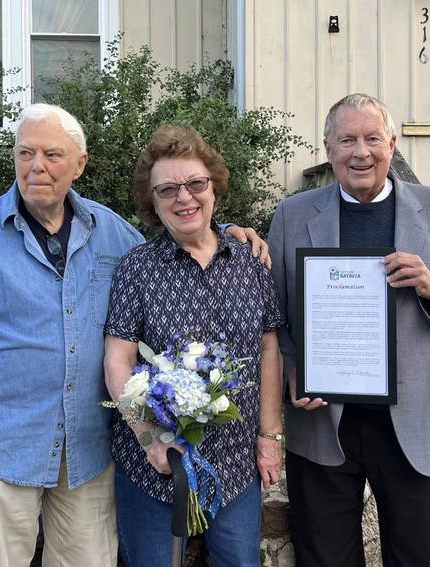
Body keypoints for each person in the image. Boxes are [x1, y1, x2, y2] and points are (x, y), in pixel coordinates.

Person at [0, 104, 269, 567]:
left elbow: (176, 241)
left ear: (79, 164)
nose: (37, 166)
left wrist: (226, 235)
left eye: (53, 154)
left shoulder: (112, 235)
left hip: (86, 456)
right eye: (26, 153)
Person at [267, 93, 430, 567]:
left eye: (373, 138)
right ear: (328, 147)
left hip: (413, 418)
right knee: (325, 556)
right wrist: (293, 366)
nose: (361, 152)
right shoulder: (293, 215)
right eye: (348, 139)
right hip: (324, 419)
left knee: (417, 556)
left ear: (392, 144)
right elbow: (274, 314)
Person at [103, 124, 285, 567]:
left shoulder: (251, 262)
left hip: (235, 464)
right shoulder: (137, 268)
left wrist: (268, 436)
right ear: (153, 202)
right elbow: (118, 360)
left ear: (214, 188)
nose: (184, 198)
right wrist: (148, 439)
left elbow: (268, 352)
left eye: (195, 184)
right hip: (156, 465)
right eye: (167, 189)